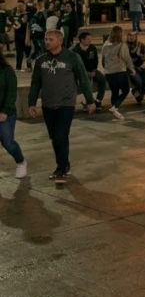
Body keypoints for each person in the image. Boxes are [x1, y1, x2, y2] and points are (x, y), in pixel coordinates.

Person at [28, 29, 96, 184]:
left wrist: (90, 100)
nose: (47, 42)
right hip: (47, 105)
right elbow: (35, 83)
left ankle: (61, 168)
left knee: (60, 136)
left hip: (66, 103)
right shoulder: (40, 61)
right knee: (54, 138)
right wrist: (31, 103)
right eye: (46, 39)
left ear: (60, 41)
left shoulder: (72, 58)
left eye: (50, 39)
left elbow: (83, 80)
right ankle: (64, 163)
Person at [0, 50, 26, 179]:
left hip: (5, 114)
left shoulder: (7, 71)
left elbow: (11, 93)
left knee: (8, 142)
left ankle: (21, 162)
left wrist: (5, 110)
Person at [100, 26, 135, 121]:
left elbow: (103, 60)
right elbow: (127, 59)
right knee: (125, 90)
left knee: (114, 91)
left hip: (109, 73)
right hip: (120, 71)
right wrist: (132, 69)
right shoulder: (122, 45)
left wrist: (108, 68)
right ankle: (114, 107)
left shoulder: (105, 44)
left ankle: (115, 112)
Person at [72, 31, 107, 110]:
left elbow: (95, 61)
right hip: (80, 73)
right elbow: (74, 65)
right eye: (88, 39)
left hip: (92, 71)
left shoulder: (92, 48)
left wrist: (94, 71)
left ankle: (98, 101)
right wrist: (85, 73)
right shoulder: (75, 50)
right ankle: (87, 102)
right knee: (86, 83)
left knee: (102, 79)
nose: (90, 41)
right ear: (82, 40)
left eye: (90, 39)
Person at [126, 31, 145, 104]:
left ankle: (141, 92)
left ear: (136, 36)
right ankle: (136, 93)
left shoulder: (140, 45)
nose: (131, 37)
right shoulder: (124, 46)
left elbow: (143, 59)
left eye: (133, 35)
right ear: (127, 36)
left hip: (140, 66)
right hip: (130, 67)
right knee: (139, 81)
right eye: (129, 35)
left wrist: (143, 60)